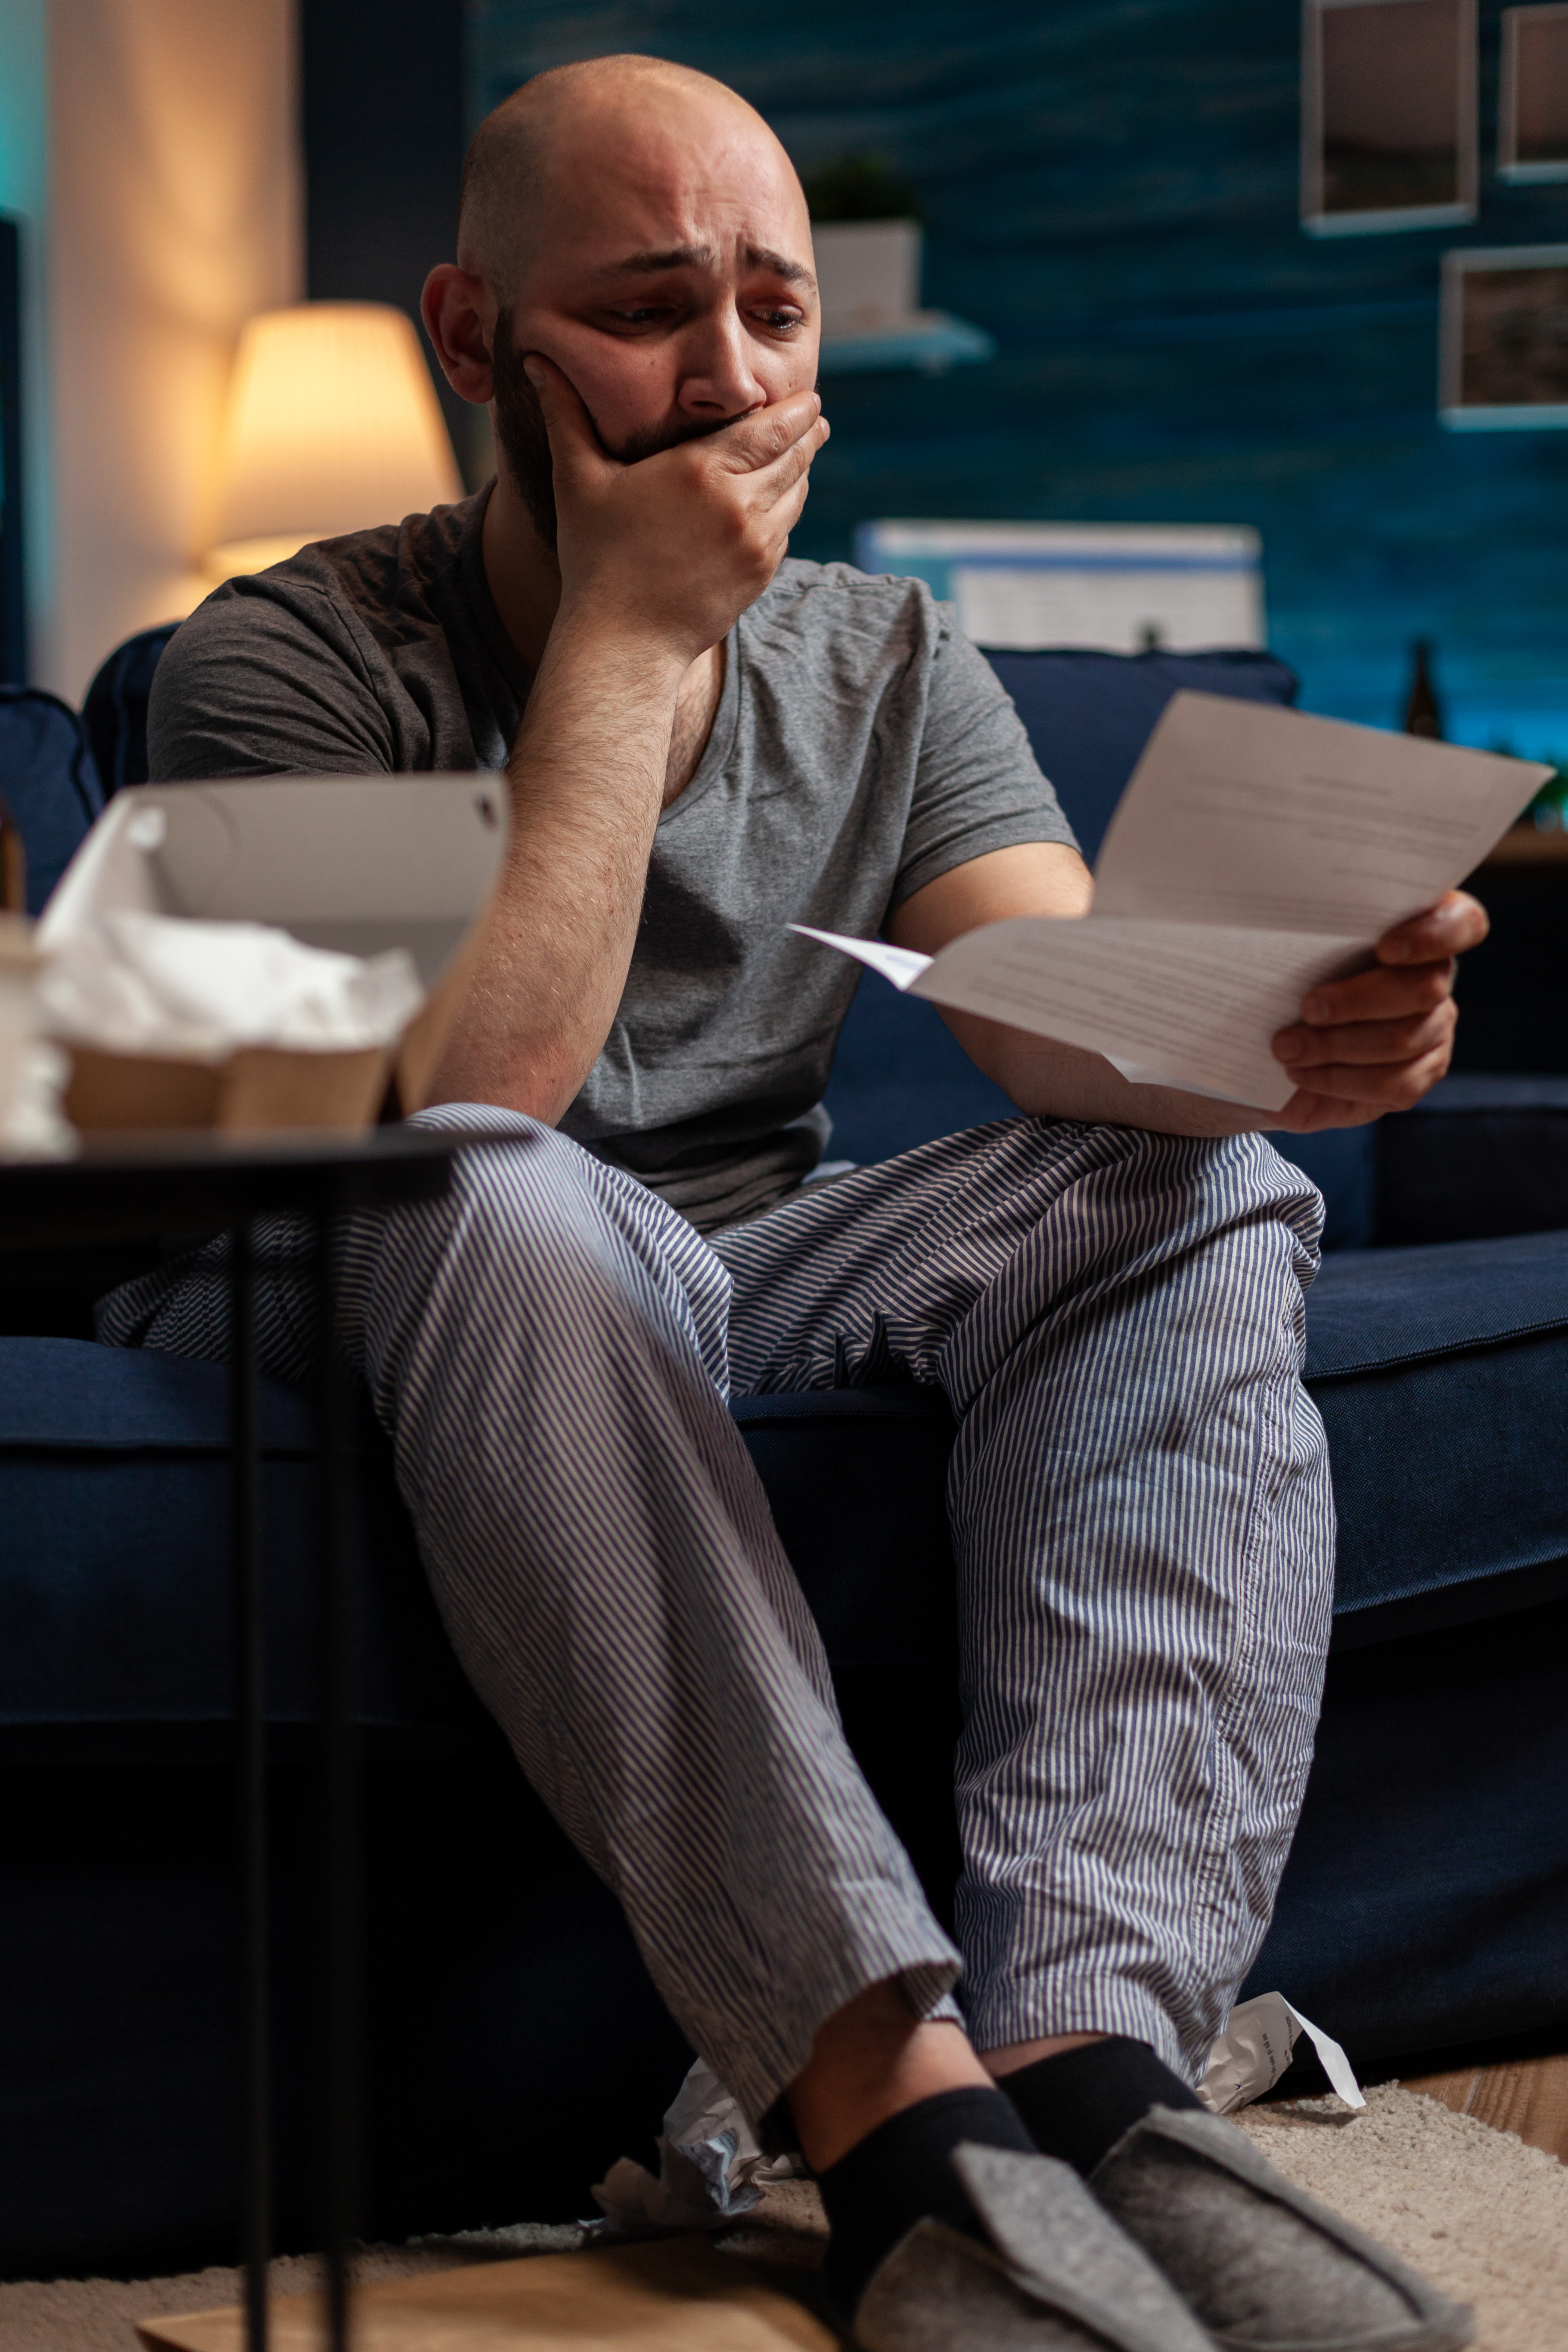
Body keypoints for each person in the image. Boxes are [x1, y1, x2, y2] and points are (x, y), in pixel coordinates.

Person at [108, 53, 1479, 2352]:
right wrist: (632, 648)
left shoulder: (889, 652)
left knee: (1189, 1178)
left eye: (777, 306)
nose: (734, 375)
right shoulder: (277, 660)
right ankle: (891, 2119)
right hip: (329, 1255)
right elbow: (473, 1092)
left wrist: (1280, 1030)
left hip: (718, 1273)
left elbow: (1055, 1006)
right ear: (475, 339)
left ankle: (1089, 2061)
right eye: (653, 308)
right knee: (490, 1185)